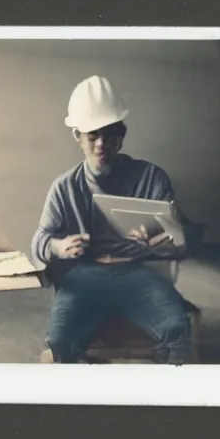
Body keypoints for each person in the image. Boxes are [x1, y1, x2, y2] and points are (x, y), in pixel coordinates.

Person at [31, 75, 202, 365]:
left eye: (110, 135)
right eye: (92, 136)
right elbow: (39, 241)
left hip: (137, 272)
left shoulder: (152, 178)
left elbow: (183, 244)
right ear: (77, 137)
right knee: (59, 344)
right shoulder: (64, 187)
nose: (101, 145)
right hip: (84, 275)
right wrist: (59, 247)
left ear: (121, 137)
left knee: (176, 329)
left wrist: (166, 243)